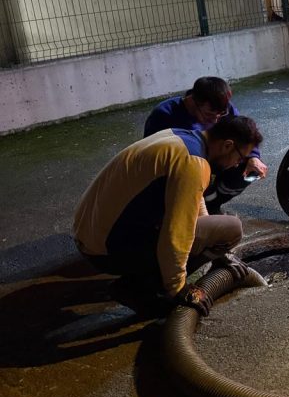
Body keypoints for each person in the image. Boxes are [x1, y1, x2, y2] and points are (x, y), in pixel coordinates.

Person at [73, 115, 263, 316]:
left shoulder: (183, 139)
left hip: (91, 234)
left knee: (214, 228)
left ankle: (142, 278)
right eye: (240, 158)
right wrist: (179, 288)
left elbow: (194, 198)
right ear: (227, 145)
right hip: (107, 252)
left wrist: (217, 249)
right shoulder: (193, 163)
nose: (237, 165)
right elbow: (177, 234)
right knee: (232, 229)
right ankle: (139, 287)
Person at [144, 76, 268, 214]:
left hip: (210, 157)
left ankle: (212, 203)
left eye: (220, 115)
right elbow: (153, 156)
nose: (215, 120)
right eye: (209, 114)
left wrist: (253, 156)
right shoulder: (164, 115)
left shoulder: (224, 109)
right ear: (194, 100)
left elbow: (244, 132)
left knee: (247, 168)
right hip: (182, 167)